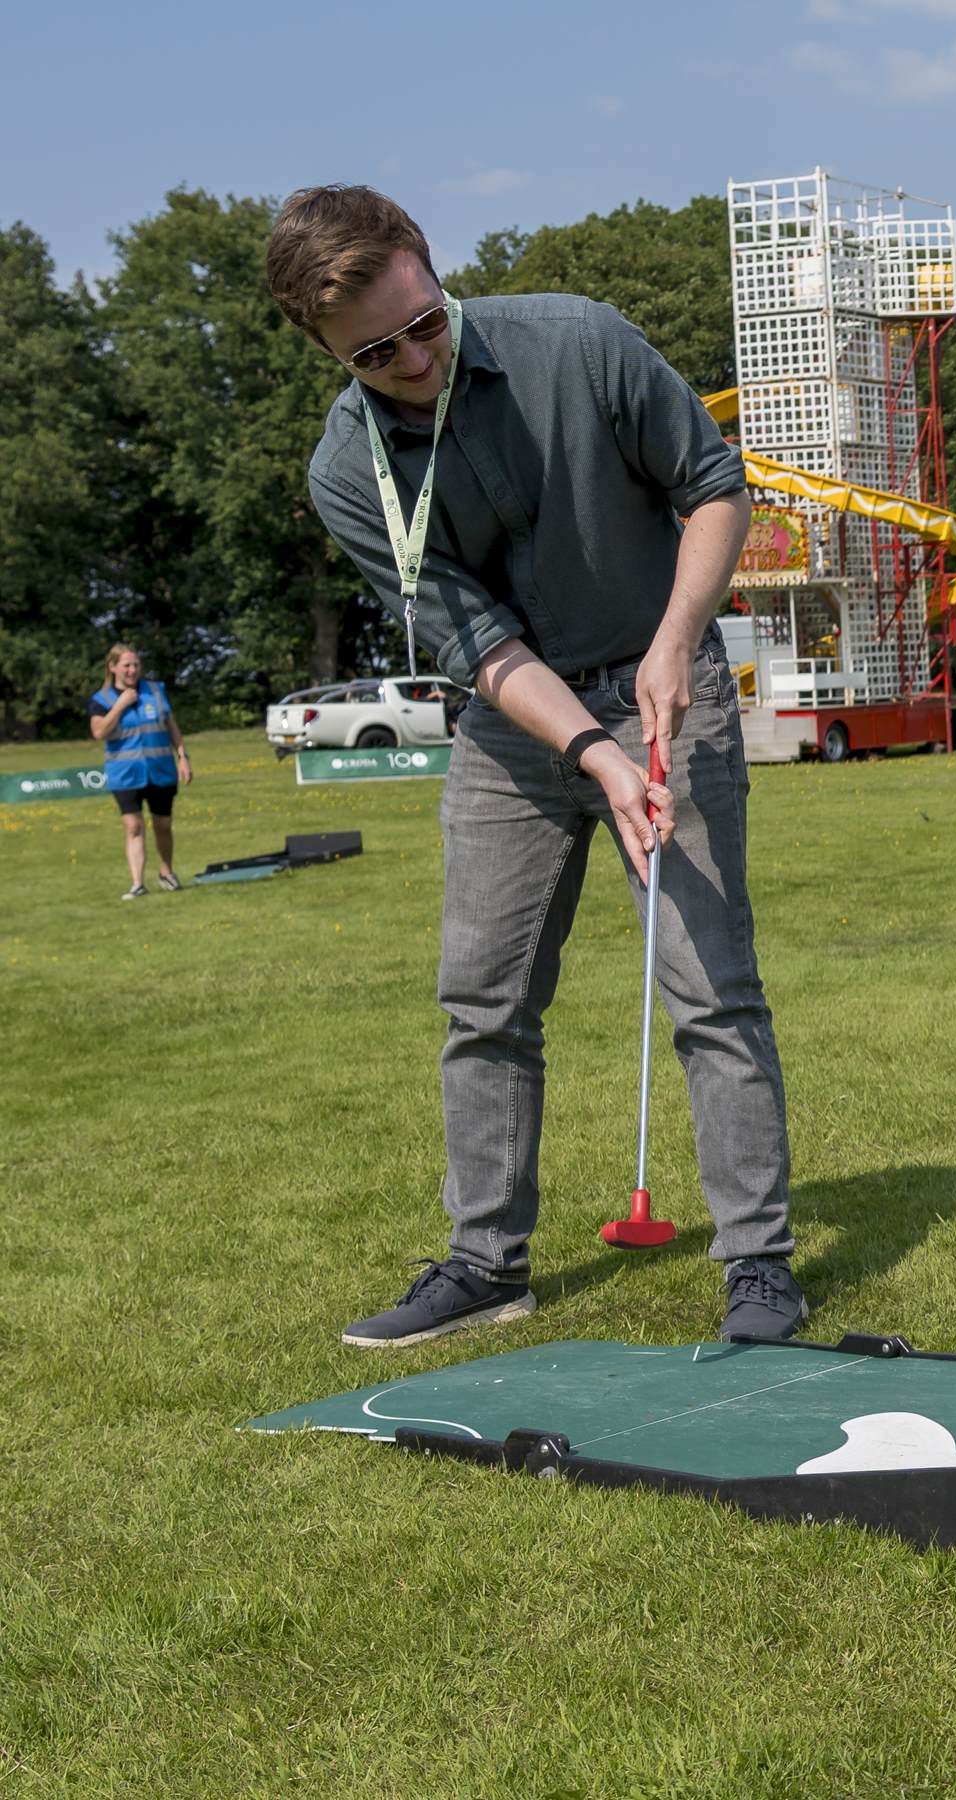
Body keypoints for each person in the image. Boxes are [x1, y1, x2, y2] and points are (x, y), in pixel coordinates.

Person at [268, 185, 806, 1348]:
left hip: (667, 682)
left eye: (424, 322)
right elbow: (483, 649)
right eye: (375, 351)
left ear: (425, 261)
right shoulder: (347, 475)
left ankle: (757, 1265)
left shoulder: (578, 340)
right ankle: (484, 1264)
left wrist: (672, 648)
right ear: (323, 347)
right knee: (484, 1000)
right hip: (513, 727)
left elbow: (714, 487)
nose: (413, 358)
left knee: (712, 989)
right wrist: (596, 758)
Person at [90, 644, 190, 898]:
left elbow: (172, 727)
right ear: (112, 667)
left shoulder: (156, 691)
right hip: (125, 774)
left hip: (160, 771)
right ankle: (137, 884)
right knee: (133, 826)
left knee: (163, 824)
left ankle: (166, 872)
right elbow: (99, 732)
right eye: (126, 665)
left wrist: (183, 757)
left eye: (136, 665)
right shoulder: (101, 700)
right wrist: (121, 705)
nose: (133, 670)